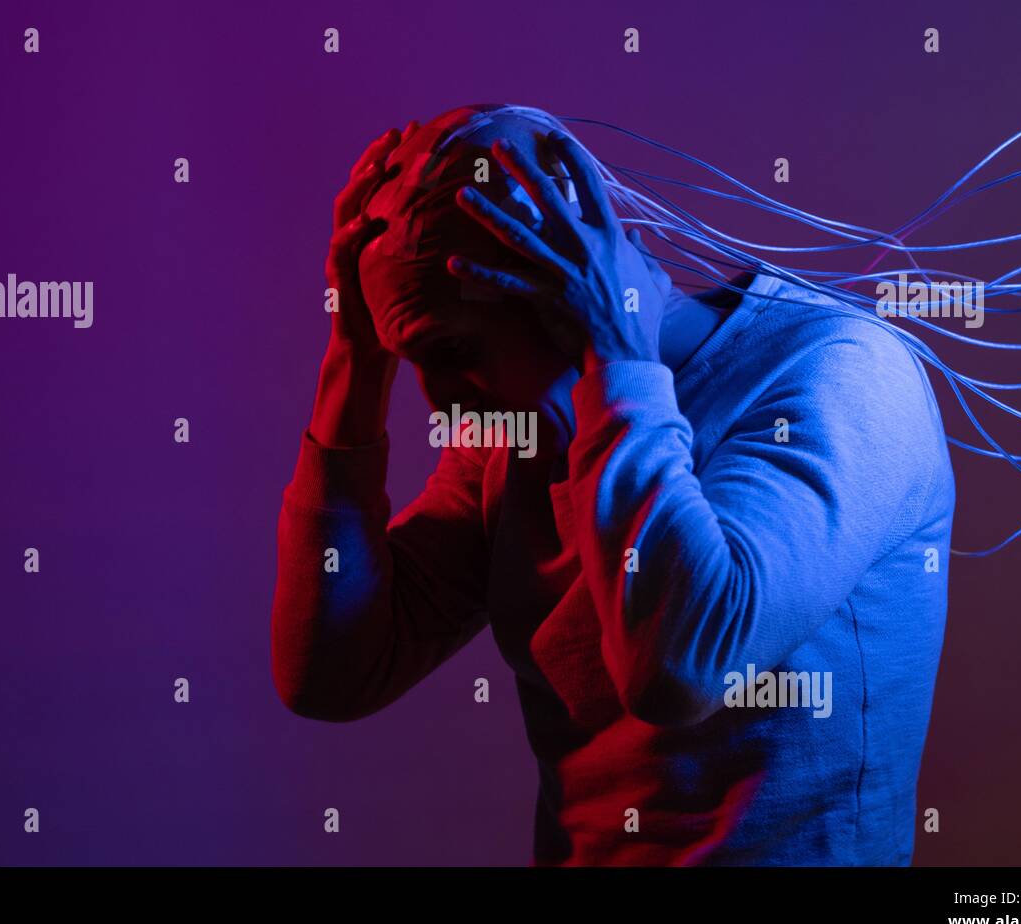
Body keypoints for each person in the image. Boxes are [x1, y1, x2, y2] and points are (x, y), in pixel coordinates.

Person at [271, 104, 956, 865]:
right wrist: (354, 359)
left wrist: (618, 358)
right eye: (412, 358)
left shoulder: (842, 372)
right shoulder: (511, 437)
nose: (439, 405)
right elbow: (331, 674)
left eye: (455, 349)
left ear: (553, 279)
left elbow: (682, 666)